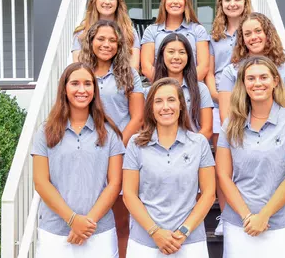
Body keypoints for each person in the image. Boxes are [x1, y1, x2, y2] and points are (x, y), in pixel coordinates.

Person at [215, 57, 285, 258]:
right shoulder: (230, 125)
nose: (257, 83)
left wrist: (264, 216)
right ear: (243, 84)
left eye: (263, 77)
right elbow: (223, 175)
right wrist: (248, 217)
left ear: (275, 81)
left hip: (282, 225)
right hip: (240, 224)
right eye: (250, 78)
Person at [32, 62, 125, 257]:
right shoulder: (45, 132)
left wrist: (87, 223)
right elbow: (41, 182)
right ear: (64, 89)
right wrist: (73, 220)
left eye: (88, 84)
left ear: (94, 89)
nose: (82, 90)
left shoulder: (110, 133)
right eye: (75, 83)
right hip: (55, 234)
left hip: (99, 233)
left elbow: (115, 184)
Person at [122, 78, 216, 258]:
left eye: (171, 100)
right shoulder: (136, 144)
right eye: (158, 101)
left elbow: (209, 193)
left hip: (189, 243)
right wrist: (155, 232)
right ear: (150, 107)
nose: (165, 107)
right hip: (145, 243)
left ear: (181, 105)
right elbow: (129, 195)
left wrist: (183, 232)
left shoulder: (199, 143)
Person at [78, 19, 145, 258]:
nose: (106, 44)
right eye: (101, 39)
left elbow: (137, 117)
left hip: (121, 151)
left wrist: (117, 145)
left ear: (119, 45)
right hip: (87, 150)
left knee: (121, 219)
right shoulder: (79, 72)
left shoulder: (129, 74)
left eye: (112, 40)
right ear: (91, 41)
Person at [204, 0, 252, 236]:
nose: (232, 4)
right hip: (217, 103)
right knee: (222, 163)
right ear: (221, 6)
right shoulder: (215, 36)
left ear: (245, 2)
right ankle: (224, 213)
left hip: (248, 102)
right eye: (227, 0)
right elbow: (210, 72)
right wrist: (218, 94)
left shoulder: (251, 31)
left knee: (243, 161)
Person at [218, 12, 285, 126]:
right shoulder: (230, 72)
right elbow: (226, 118)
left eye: (258, 31)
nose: (253, 37)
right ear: (242, 40)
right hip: (241, 135)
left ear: (268, 34)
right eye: (247, 34)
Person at [141, 0, 209, 82]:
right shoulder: (151, 31)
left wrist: (184, 87)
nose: (175, 1)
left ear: (186, 2)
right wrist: (167, 88)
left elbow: (203, 67)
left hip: (191, 91)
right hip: (160, 91)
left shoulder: (198, 30)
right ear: (164, 1)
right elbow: (147, 68)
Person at [151, 33, 213, 140]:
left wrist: (189, 147)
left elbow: (207, 129)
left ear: (188, 57)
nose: (176, 57)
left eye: (182, 52)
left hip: (192, 150)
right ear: (162, 55)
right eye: (171, 52)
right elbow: (148, 128)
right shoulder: (151, 91)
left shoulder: (200, 89)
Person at [72, 0, 141, 70]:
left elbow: (134, 67)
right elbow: (78, 68)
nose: (107, 1)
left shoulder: (129, 31)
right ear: (94, 1)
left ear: (118, 2)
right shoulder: (82, 32)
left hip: (122, 81)